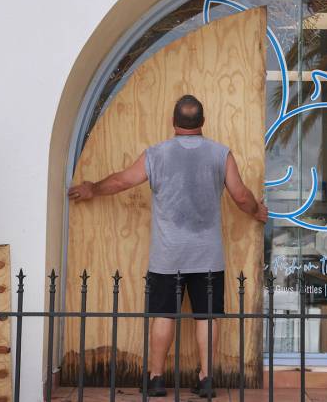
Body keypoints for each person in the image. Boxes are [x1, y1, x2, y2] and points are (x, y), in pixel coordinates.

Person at [68, 94, 268, 397]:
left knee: (164, 315)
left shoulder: (156, 154)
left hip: (167, 256)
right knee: (208, 317)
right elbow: (240, 195)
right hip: (208, 257)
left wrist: (91, 188)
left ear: (174, 122)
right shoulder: (220, 153)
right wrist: (257, 211)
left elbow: (122, 181)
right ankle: (206, 379)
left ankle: (157, 378)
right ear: (202, 122)